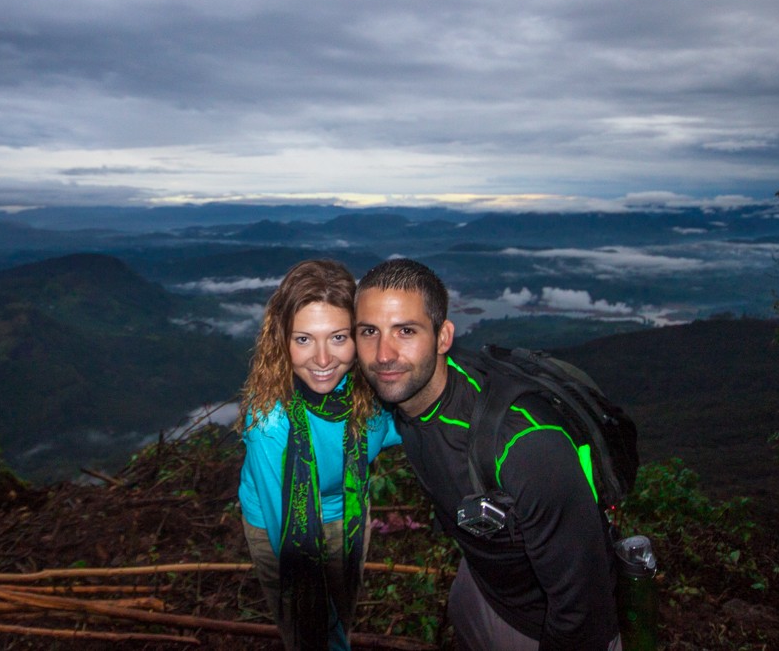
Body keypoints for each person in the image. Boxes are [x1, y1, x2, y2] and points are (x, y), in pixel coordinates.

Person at [354, 258, 620, 651]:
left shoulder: (525, 446)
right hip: (481, 582)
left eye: (405, 331)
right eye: (369, 332)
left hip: (540, 626)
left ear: (443, 337)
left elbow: (582, 606)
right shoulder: (406, 398)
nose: (383, 354)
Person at [237, 259, 401, 650]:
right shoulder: (270, 422)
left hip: (348, 512)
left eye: (339, 338)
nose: (324, 360)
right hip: (278, 521)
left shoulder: (371, 394)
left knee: (343, 610)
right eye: (304, 339)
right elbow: (295, 553)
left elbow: (416, 425)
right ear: (281, 340)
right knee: (305, 626)